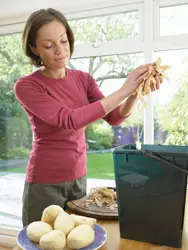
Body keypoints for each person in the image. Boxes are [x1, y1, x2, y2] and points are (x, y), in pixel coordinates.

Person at [14, 8, 161, 227]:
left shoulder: (83, 79)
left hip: (78, 177)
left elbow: (114, 118)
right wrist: (123, 89)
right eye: (48, 45)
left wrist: (134, 92)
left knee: (76, 241)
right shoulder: (27, 86)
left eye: (63, 41)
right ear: (34, 48)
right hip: (44, 181)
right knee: (42, 242)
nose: (60, 50)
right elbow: (69, 119)